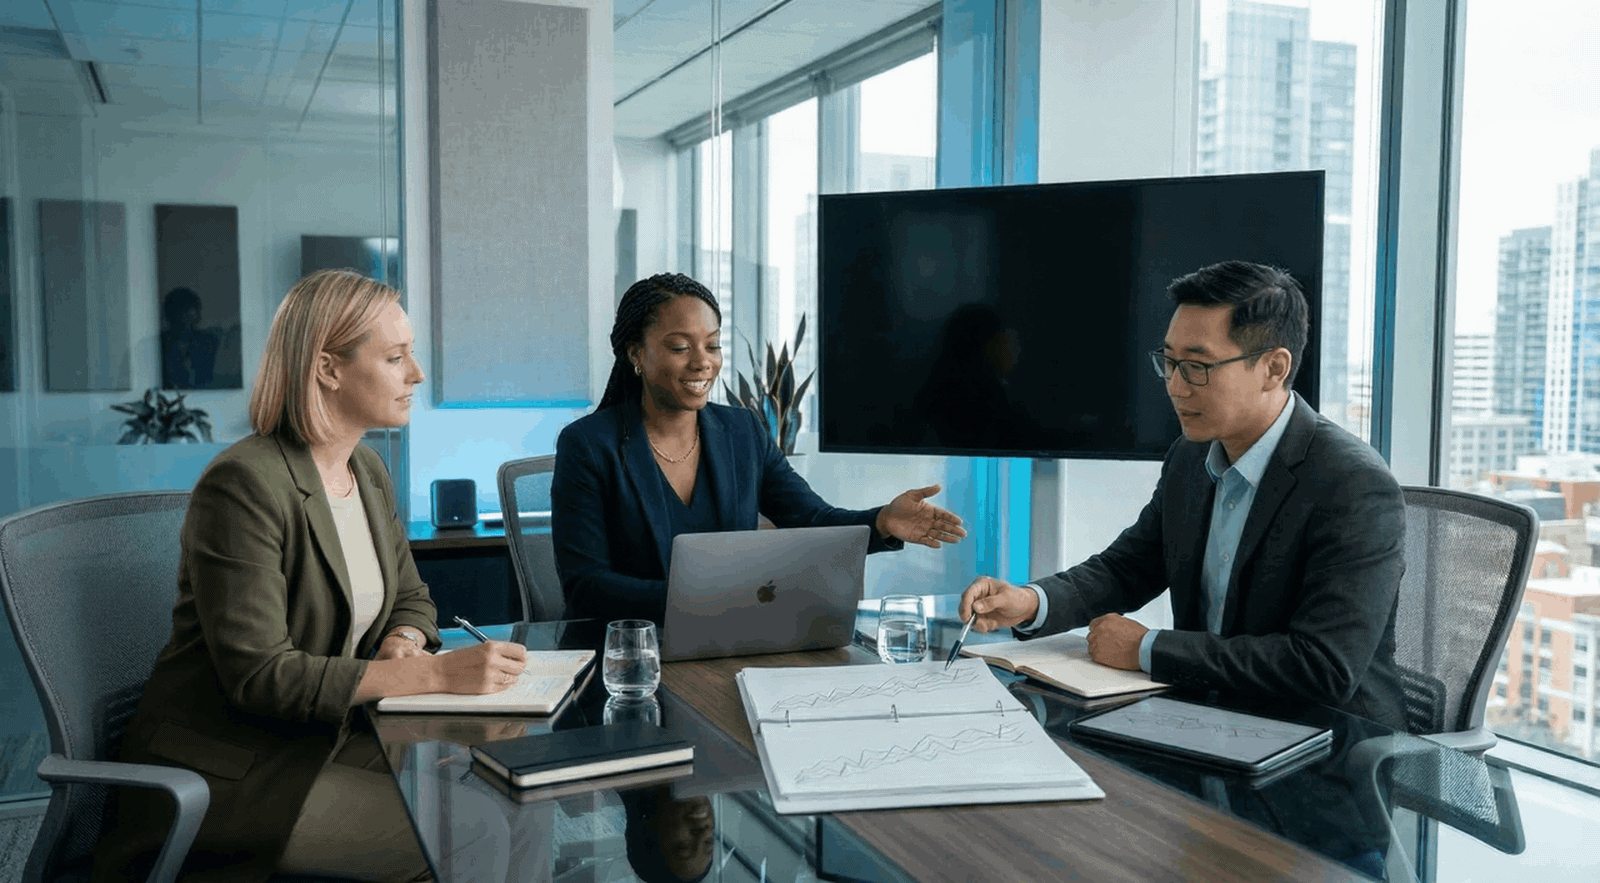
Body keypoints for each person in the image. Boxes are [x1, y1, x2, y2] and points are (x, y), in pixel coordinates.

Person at [95, 269, 529, 883]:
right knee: (472, 828)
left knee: (521, 788)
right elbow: (260, 675)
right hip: (237, 766)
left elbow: (411, 595)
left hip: (337, 734)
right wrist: (427, 672)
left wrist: (404, 638)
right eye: (396, 357)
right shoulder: (245, 484)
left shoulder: (368, 470)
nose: (417, 376)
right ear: (328, 368)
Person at [958, 260, 1406, 727]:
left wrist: (1148, 649)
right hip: (1210, 722)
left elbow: (1323, 666)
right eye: (1169, 362)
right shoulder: (1191, 458)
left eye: (1196, 367)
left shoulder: (1353, 486)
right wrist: (1030, 602)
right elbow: (1129, 568)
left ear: (1273, 368)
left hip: (1327, 751)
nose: (1174, 386)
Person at [552, 272, 968, 624]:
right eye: (680, 347)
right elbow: (587, 586)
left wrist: (883, 521)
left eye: (712, 345)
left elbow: (809, 518)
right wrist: (711, 601)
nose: (703, 362)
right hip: (631, 658)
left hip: (731, 646)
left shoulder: (742, 432)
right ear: (636, 354)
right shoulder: (589, 445)